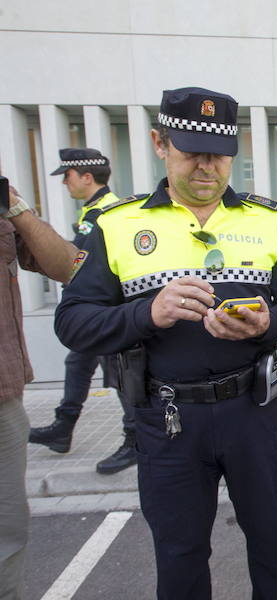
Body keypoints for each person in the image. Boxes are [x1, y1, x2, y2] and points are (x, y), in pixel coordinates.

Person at [54, 87, 277, 599]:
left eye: (218, 154)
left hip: (254, 415)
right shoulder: (117, 225)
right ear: (159, 142)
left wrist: (266, 324)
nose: (206, 167)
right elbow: (74, 322)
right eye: (191, 150)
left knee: (271, 545)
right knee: (179, 556)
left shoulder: (265, 220)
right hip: (169, 420)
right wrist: (147, 312)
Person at [29, 148, 138, 474]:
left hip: (110, 311)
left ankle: (134, 440)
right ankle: (64, 426)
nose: (65, 183)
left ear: (86, 176)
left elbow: (80, 264)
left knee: (119, 376)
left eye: (68, 176)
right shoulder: (93, 211)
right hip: (94, 310)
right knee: (78, 361)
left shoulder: (108, 213)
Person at [1, 181, 77, 599]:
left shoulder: (8, 208)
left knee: (8, 530)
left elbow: (69, 265)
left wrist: (15, 209)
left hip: (2, 397)